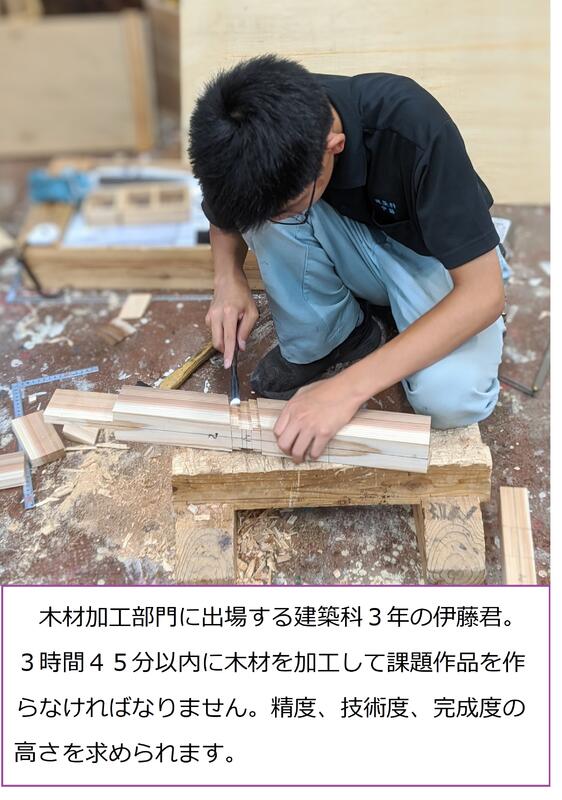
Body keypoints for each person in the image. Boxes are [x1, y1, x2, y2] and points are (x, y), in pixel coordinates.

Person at [188, 54, 507, 463]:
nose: (271, 222)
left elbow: (483, 294)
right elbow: (223, 215)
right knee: (267, 212)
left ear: (333, 147)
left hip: (432, 257)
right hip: (356, 239)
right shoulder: (245, 125)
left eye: (287, 208)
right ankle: (335, 337)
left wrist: (346, 390)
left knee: (450, 400)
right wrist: (227, 278)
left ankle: (389, 323)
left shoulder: (413, 126)